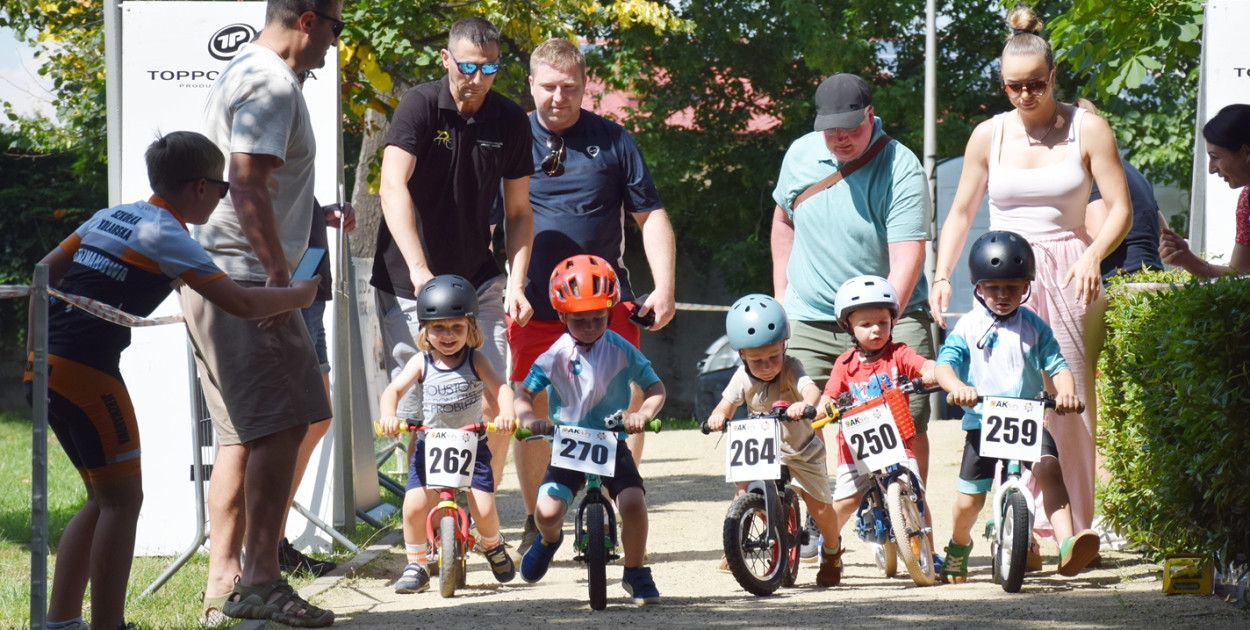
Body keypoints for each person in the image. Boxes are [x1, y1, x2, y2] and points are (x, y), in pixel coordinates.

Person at [23, 131, 319, 630]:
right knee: (123, 501)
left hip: (46, 366)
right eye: (223, 190)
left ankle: (60, 621)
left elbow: (42, 272)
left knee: (101, 498)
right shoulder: (167, 234)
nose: (224, 197)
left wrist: (37, 345)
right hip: (87, 373)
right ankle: (108, 626)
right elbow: (242, 304)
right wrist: (300, 295)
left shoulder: (110, 216)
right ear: (201, 187)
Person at [929, 5, 1131, 535]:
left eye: (1036, 85)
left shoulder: (1087, 128)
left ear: (1054, 77)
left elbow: (1121, 208)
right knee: (1001, 397)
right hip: (1002, 271)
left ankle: (1078, 524)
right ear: (1002, 84)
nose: (1026, 96)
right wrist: (942, 272)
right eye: (1014, 87)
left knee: (1070, 399)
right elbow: (960, 213)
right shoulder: (987, 135)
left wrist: (1091, 254)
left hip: (1068, 267)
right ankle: (1015, 522)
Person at [186, 1, 341, 626]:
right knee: (292, 422)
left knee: (242, 438)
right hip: (248, 281)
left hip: (222, 275)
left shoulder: (245, 68)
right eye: (335, 27)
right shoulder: (272, 81)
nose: (334, 43)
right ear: (307, 19)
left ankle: (225, 583)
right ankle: (260, 581)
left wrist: (308, 224)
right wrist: (279, 274)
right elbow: (245, 181)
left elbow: (257, 183)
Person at [509, 38, 676, 554]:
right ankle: (540, 516)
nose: (560, 97)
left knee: (625, 398)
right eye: (550, 87)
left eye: (571, 87)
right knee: (530, 399)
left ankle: (611, 499)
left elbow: (651, 217)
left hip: (607, 301)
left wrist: (665, 286)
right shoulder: (510, 138)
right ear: (531, 84)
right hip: (534, 300)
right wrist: (504, 287)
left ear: (585, 86)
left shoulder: (614, 139)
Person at [770, 72, 935, 560]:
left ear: (870, 115)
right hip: (809, 315)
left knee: (911, 420)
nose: (840, 138)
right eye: (830, 129)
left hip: (887, 312)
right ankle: (776, 528)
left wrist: (876, 331)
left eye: (850, 127)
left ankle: (918, 526)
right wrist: (782, 295)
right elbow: (783, 219)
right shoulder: (800, 154)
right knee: (789, 419)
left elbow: (907, 260)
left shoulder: (900, 167)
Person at [371, 16, 534, 502]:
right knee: (420, 401)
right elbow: (391, 186)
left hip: (478, 278)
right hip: (409, 280)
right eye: (467, 66)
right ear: (446, 60)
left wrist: (518, 280)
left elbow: (520, 212)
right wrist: (421, 271)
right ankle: (425, 523)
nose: (477, 79)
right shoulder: (419, 106)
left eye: (489, 68)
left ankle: (477, 502)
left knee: (495, 394)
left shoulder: (507, 119)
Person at [934, 231, 1100, 582]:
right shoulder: (968, 327)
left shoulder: (1034, 327)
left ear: (1027, 285)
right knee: (969, 502)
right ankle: (958, 546)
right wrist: (958, 388)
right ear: (979, 287)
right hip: (983, 420)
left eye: (1013, 287)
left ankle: (1067, 542)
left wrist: (1066, 393)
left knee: (1050, 469)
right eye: (993, 288)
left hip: (1026, 418)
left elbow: (1057, 365)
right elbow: (944, 366)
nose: (1003, 295)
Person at [515, 255, 667, 605]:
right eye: (579, 321)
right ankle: (549, 540)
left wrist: (642, 412)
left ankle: (636, 570)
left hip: (612, 442)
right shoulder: (555, 354)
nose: (589, 328)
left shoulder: (621, 350)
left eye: (599, 319)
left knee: (633, 503)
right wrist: (527, 416)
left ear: (610, 313)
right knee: (547, 512)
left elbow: (656, 387)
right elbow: (524, 390)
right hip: (567, 443)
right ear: (562, 317)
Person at [377, 275, 518, 593]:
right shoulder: (421, 361)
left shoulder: (475, 359)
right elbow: (393, 391)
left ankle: (493, 545)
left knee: (483, 507)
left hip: (471, 443)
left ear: (471, 327)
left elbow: (501, 388)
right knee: (413, 505)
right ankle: (416, 563)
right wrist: (389, 414)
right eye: (439, 328)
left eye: (457, 327)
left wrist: (506, 413)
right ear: (425, 329)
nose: (448, 335)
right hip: (431, 445)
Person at [704, 294, 843, 587]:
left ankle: (831, 551)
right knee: (742, 493)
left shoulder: (792, 368)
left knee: (819, 506)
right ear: (742, 355)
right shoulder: (741, 377)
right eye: (756, 360)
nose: (766, 366)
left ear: (784, 345)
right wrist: (718, 416)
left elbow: (811, 391)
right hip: (761, 448)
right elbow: (726, 405)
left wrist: (803, 405)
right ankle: (737, 544)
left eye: (773, 357)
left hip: (800, 449)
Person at [817, 275, 939, 576]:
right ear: (848, 327)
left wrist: (931, 371)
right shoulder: (845, 364)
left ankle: (929, 551)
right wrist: (825, 405)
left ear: (893, 322)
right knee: (845, 501)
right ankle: (828, 547)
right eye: (866, 324)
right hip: (855, 450)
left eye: (882, 323)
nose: (875, 330)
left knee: (913, 491)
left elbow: (923, 365)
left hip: (897, 442)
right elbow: (830, 392)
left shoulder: (898, 353)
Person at [280, 195, 355, 578]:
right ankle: (262, 547)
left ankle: (271, 543)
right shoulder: (261, 139)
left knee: (315, 420)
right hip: (289, 289)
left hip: (308, 290)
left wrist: (317, 214)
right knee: (289, 425)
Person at [1073, 99, 1163, 283]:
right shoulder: (1132, 170)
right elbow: (1164, 232)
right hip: (1154, 276)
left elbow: (1096, 231)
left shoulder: (1093, 172)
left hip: (1119, 283)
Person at [1158, 103, 1250, 277]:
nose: (1211, 169)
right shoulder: (1247, 200)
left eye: (1215, 157)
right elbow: (1240, 275)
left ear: (1246, 152)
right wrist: (1187, 259)